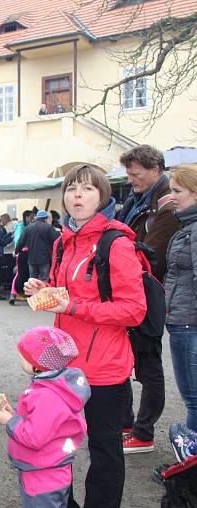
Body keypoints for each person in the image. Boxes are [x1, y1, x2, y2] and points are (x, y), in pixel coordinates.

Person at [24, 164, 146, 508]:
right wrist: (43, 289)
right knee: (59, 444)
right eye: (72, 189)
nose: (77, 195)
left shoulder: (116, 243)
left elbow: (134, 310)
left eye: (87, 189)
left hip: (105, 369)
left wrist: (73, 307)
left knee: (105, 453)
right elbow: (71, 294)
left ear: (102, 197)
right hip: (65, 366)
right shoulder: (64, 240)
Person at [0, 327, 90, 508]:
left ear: (37, 364)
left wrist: (10, 421)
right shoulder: (56, 386)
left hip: (42, 474)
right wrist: (16, 414)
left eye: (24, 355)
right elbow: (43, 424)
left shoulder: (46, 394)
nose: (20, 359)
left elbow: (34, 437)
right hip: (50, 469)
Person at [117, 145, 180, 453]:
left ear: (155, 170)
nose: (130, 180)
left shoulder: (167, 204)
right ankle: (128, 423)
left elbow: (149, 255)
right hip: (134, 291)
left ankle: (143, 432)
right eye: (128, 174)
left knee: (148, 365)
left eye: (135, 174)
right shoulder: (138, 200)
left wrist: (116, 257)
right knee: (129, 361)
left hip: (148, 293)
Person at [163, 165, 197, 432]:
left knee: (193, 399)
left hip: (187, 321)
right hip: (183, 318)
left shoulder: (193, 230)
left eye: (177, 190)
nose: (171, 196)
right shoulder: (186, 227)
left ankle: (190, 464)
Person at [17, 210, 59, 283]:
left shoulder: (28, 228)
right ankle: (42, 294)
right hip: (44, 258)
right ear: (45, 218)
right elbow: (56, 240)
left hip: (32, 258)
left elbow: (21, 241)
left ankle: (33, 294)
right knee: (44, 279)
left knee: (33, 279)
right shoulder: (48, 227)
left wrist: (16, 251)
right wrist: (57, 232)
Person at [9, 210, 35, 305]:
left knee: (26, 273)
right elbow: (18, 239)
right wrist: (16, 251)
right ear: (27, 216)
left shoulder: (29, 226)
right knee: (19, 273)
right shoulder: (21, 226)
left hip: (28, 252)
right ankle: (13, 293)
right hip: (22, 252)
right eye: (31, 216)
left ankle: (21, 294)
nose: (32, 218)